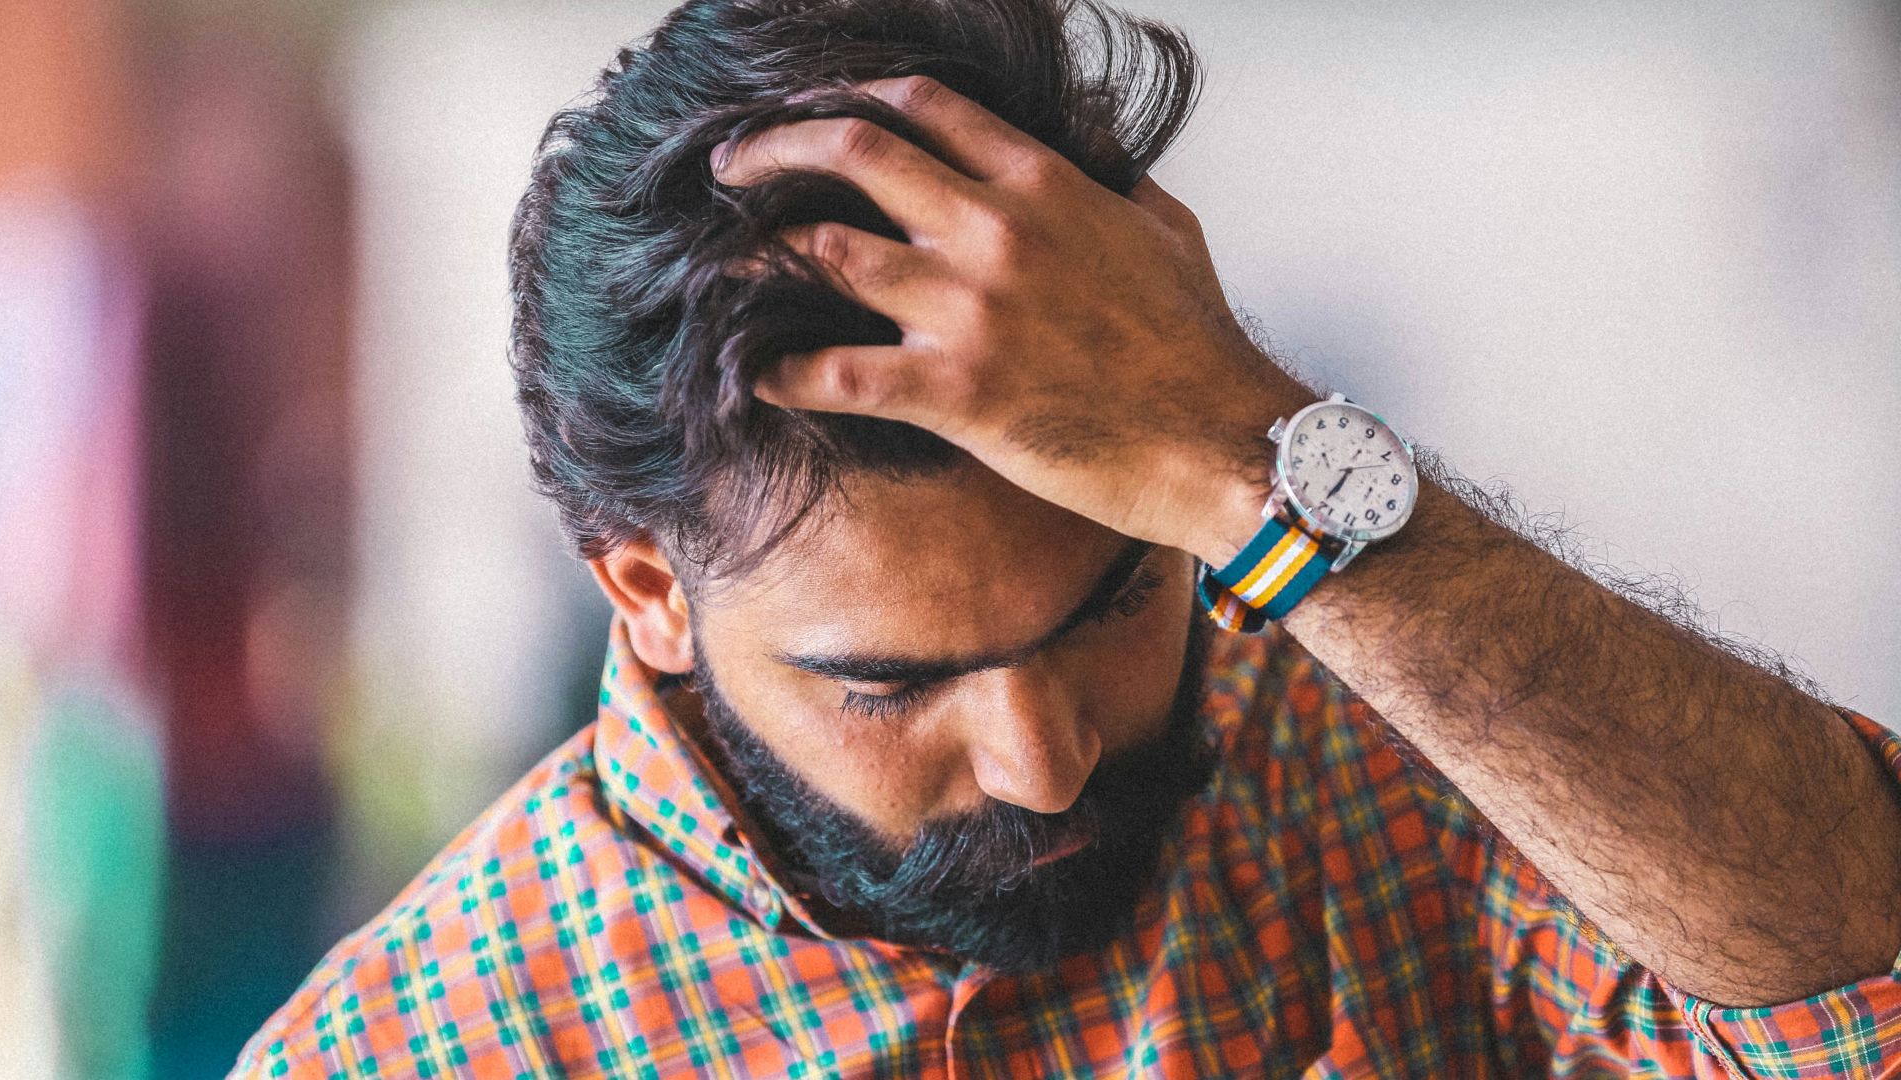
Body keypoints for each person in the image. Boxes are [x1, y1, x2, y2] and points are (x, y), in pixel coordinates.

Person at [232, 0, 1901, 1075]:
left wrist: (1261, 454)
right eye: (892, 686)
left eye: (1115, 602)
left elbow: (1862, 1007)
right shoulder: (415, 1051)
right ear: (649, 588)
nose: (1042, 763)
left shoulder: (1392, 775)